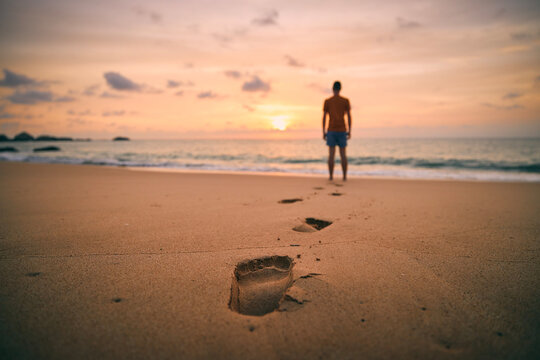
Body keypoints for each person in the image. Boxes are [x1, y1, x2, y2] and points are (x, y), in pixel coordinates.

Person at [322, 81, 351, 181]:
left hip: (331, 130)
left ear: (332, 89)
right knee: (343, 154)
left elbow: (324, 117)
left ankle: (331, 177)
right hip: (342, 129)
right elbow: (349, 116)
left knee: (331, 155)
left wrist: (324, 131)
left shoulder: (328, 101)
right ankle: (344, 177)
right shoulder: (345, 101)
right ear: (340, 89)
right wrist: (349, 130)